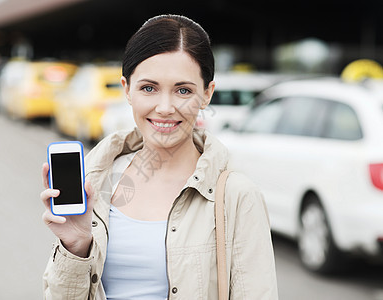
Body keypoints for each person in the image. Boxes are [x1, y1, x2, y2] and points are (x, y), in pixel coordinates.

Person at [40, 14, 278, 299]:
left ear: (207, 94)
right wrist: (76, 248)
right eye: (149, 88)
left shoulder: (237, 197)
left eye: (183, 90)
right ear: (127, 90)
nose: (165, 107)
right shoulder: (95, 180)